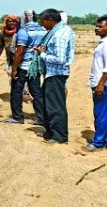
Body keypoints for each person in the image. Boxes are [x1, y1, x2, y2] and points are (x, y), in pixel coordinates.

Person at [29, 8, 76, 144]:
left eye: (43, 21)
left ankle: (59, 136)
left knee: (55, 106)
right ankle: (50, 132)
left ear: (50, 20)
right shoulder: (59, 31)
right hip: (52, 73)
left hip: (56, 73)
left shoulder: (59, 35)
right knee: (46, 103)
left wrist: (42, 54)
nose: (41, 24)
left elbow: (60, 59)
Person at [4, 10, 46, 125]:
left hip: (23, 66)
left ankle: (17, 117)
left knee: (16, 92)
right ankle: (41, 118)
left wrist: (14, 69)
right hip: (35, 66)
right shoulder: (43, 30)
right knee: (36, 92)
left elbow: (20, 51)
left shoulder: (24, 31)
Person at [85, 16, 107, 151]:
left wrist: (101, 84)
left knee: (101, 113)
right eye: (96, 26)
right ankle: (105, 141)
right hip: (104, 83)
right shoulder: (105, 42)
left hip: (103, 84)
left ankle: (98, 142)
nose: (97, 28)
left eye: (100, 26)